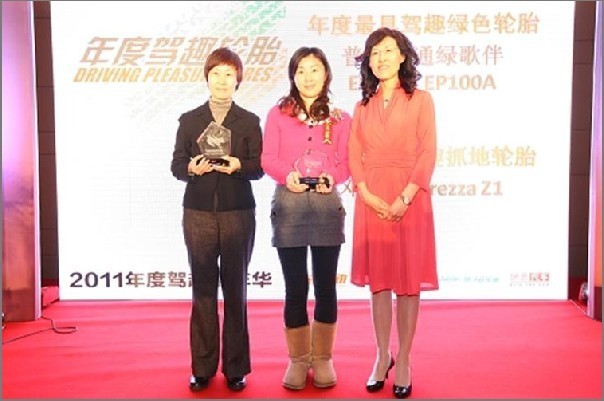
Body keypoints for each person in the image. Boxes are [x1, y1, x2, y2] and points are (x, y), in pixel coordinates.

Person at [348, 27, 438, 399]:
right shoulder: (362, 106)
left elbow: (428, 151)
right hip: (371, 198)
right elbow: (354, 154)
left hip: (410, 198)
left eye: (388, 50)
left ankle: (404, 360)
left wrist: (407, 195)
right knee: (380, 282)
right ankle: (382, 354)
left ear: (402, 56)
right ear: (368, 61)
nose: (381, 58)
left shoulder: (421, 100)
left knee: (408, 282)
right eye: (374, 52)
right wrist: (366, 193)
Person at [170, 47, 264, 393]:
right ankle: (202, 367)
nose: (222, 80)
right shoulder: (189, 120)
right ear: (207, 78)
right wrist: (190, 169)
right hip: (198, 213)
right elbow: (176, 165)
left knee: (236, 291)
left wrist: (239, 165)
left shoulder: (249, 121)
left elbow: (259, 167)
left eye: (229, 74)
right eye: (216, 74)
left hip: (238, 212)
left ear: (238, 79)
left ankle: (236, 367)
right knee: (203, 291)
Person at [261, 46, 351, 390]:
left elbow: (345, 163)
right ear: (293, 76)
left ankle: (323, 357)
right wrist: (288, 176)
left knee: (326, 286)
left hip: (327, 206)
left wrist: (333, 177)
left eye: (314, 69)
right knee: (296, 287)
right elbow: (268, 158)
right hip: (290, 205)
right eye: (301, 70)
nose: (308, 77)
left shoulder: (340, 118)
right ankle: (299, 359)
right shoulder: (277, 114)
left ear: (326, 74)